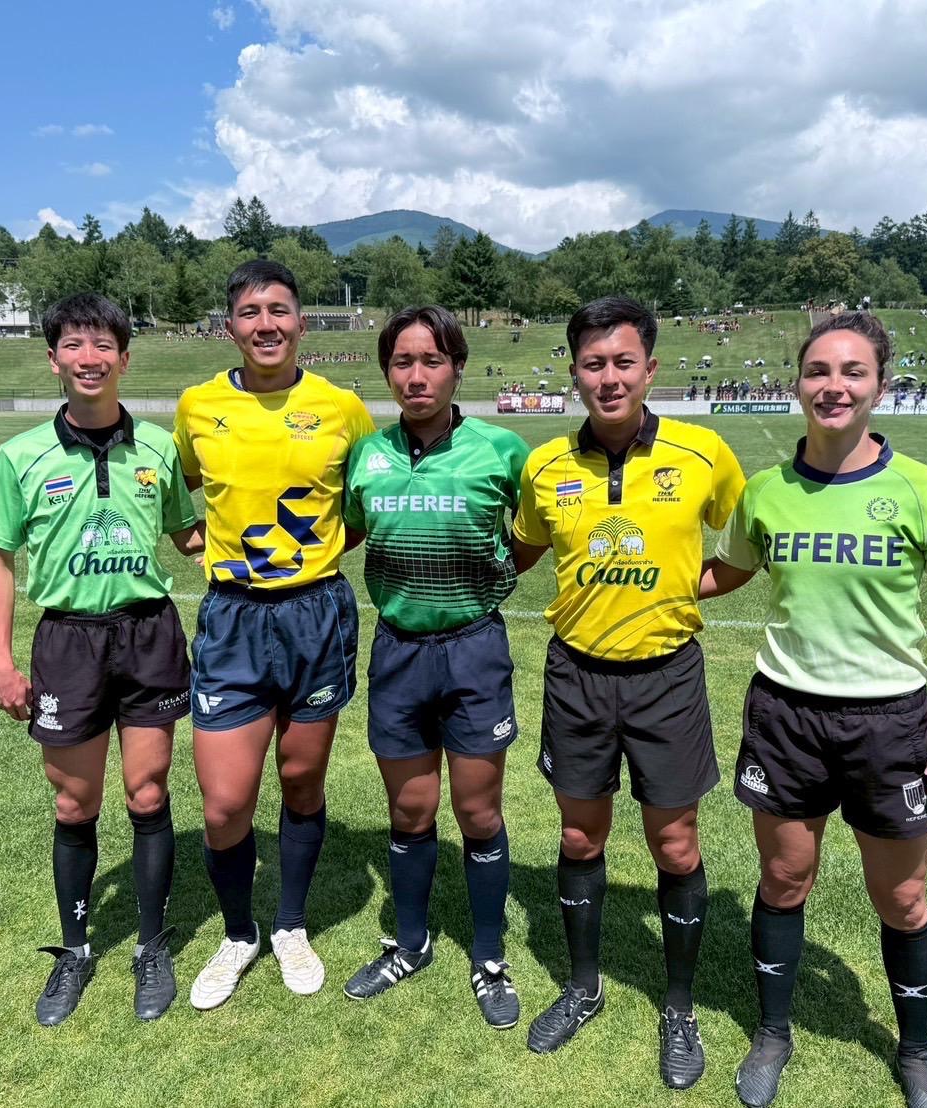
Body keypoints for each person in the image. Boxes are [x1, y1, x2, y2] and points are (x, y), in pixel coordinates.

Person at [700, 311, 927, 1108]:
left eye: (852, 372)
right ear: (797, 384)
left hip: (888, 722)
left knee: (901, 897)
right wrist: (641, 579)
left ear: (879, 386)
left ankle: (915, 1052)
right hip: (784, 715)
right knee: (783, 878)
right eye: (818, 371)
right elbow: (729, 571)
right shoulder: (765, 493)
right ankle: (771, 1034)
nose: (833, 386)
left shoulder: (921, 488)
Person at [512, 296, 746, 1089]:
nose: (607, 378)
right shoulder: (544, 467)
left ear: (650, 369)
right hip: (576, 674)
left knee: (674, 844)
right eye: (592, 364)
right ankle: (583, 987)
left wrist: (684, 591)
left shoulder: (702, 452)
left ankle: (677, 1007)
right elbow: (519, 550)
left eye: (622, 363)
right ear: (573, 372)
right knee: (580, 839)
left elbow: (744, 547)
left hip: (665, 676)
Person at [0, 293, 202, 1026]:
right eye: (73, 345)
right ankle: (75, 950)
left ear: (124, 358)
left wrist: (264, 534)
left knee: (147, 794)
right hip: (68, 641)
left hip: (148, 634)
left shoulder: (159, 448)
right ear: (53, 360)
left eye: (103, 345)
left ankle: (151, 946)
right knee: (75, 803)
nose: (89, 358)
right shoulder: (20, 456)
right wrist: (1, 662)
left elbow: (189, 536)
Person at [172, 260, 373, 1009]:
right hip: (232, 620)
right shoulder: (198, 405)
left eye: (279, 310)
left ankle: (289, 923)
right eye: (251, 312)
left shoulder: (341, 407)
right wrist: (197, 542)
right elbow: (174, 488)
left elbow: (361, 506)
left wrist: (312, 559)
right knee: (224, 804)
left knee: (300, 780)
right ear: (230, 326)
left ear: (301, 321)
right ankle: (238, 933)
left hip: (315, 614)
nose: (266, 325)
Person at [340, 305, 531, 1027]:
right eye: (402, 362)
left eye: (432, 360)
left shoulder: (501, 449)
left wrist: (491, 576)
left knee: (478, 812)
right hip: (397, 651)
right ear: (386, 371)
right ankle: (411, 943)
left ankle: (489, 956)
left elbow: (531, 535)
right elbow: (348, 531)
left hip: (473, 650)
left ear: (457, 368)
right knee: (410, 810)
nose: (416, 376)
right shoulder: (368, 454)